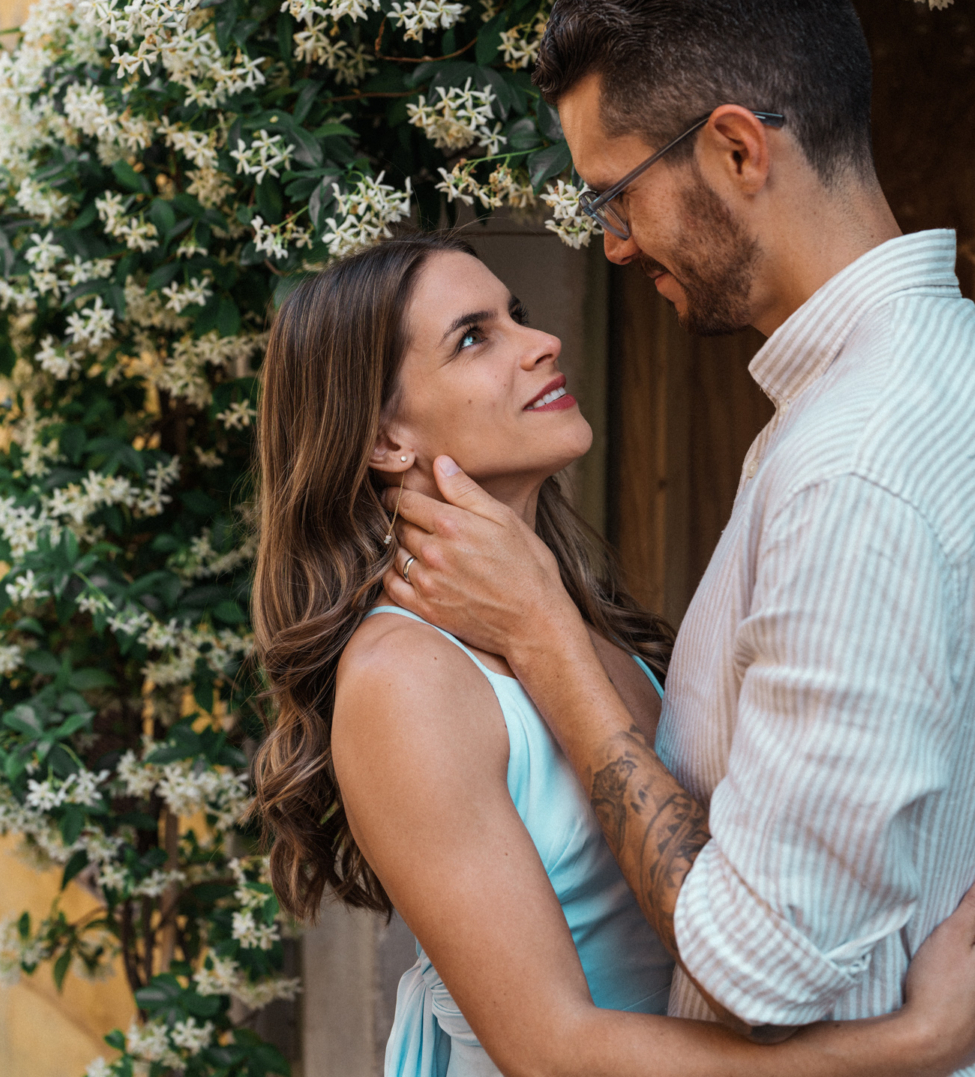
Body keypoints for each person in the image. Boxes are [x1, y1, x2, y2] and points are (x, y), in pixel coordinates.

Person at [380, 0, 975, 1065]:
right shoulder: (919, 389)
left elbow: (758, 969)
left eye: (614, 194)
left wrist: (547, 638)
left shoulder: (851, 465)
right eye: (472, 336)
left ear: (737, 150)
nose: (607, 245)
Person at [251, 233, 975, 1077]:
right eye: (474, 337)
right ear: (385, 441)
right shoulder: (405, 678)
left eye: (517, 314)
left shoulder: (569, 618)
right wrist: (918, 1045)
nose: (541, 341)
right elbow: (553, 1054)